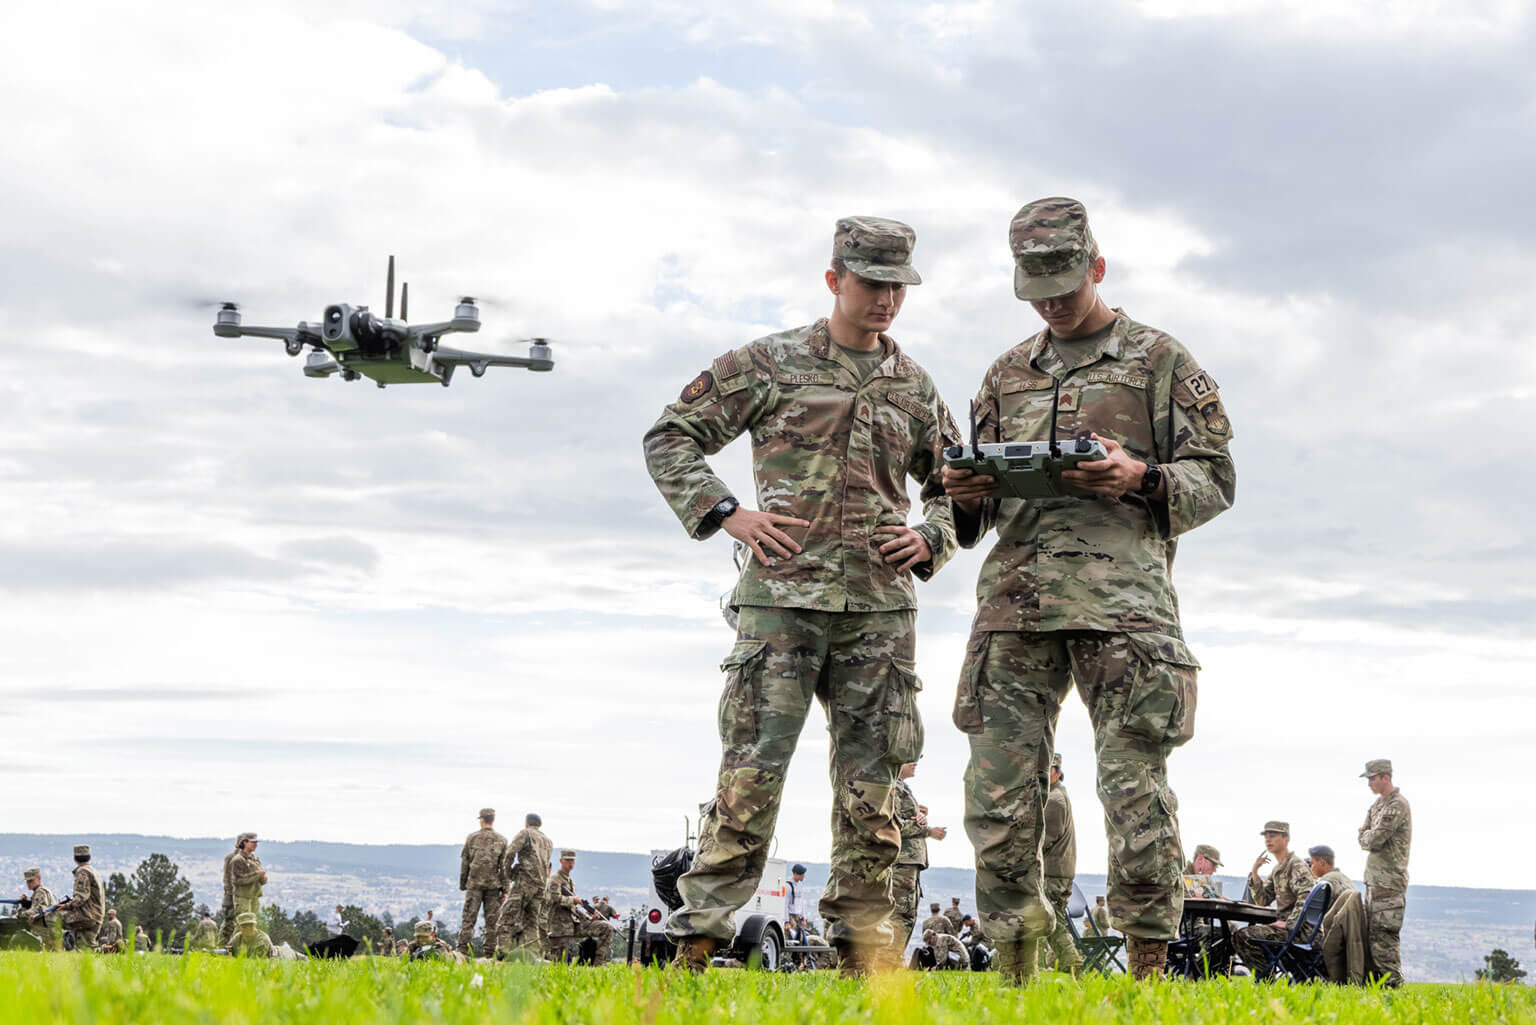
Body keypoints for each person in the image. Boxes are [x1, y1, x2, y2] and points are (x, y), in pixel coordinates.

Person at [644, 216, 960, 974]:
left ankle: (860, 954)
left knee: (873, 789)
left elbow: (958, 481)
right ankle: (698, 941)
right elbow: (671, 435)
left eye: (897, 287)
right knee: (749, 778)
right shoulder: (769, 362)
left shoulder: (912, 384)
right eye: (871, 283)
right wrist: (729, 513)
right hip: (781, 604)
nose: (886, 299)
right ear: (834, 280)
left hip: (879, 615)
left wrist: (934, 536)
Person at [943, 197, 1236, 983]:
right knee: (998, 797)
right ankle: (1013, 973)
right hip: (1015, 606)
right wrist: (962, 487)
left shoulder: (1159, 360)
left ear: (1097, 267)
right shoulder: (1006, 373)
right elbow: (966, 509)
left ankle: (1145, 971)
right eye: (1035, 288)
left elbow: (1216, 480)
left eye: (1064, 285)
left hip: (1124, 610)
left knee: (1132, 792)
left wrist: (1138, 475)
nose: (1050, 301)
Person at [1357, 758, 1411, 987]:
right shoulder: (1377, 806)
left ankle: (1394, 991)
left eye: (1372, 778)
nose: (1369, 783)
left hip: (1388, 885)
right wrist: (1367, 836)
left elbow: (1374, 838)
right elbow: (1362, 837)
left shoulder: (1397, 804)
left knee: (1384, 943)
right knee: (1372, 940)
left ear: (1385, 778)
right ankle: (1378, 990)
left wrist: (1367, 836)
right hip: (1374, 883)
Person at [1233, 821, 1314, 971]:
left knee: (1244, 936)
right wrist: (1255, 872)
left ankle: (1265, 981)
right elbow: (1262, 900)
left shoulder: (1296, 865)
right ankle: (1266, 978)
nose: (1268, 840)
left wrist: (1290, 924)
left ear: (1286, 838)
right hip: (1289, 930)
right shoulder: (1278, 869)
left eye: (1273, 835)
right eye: (1266, 836)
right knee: (1240, 935)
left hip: (1300, 932)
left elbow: (1307, 897)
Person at [891, 762, 947, 955]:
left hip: (909, 863)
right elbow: (891, 825)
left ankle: (892, 963)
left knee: (907, 916)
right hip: (902, 862)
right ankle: (888, 965)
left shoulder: (902, 787)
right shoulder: (892, 786)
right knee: (900, 916)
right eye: (910, 758)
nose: (915, 762)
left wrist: (920, 818)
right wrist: (923, 827)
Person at [1039, 753, 1083, 976]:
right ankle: (1061, 964)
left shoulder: (1054, 800)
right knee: (1049, 921)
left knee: (1050, 922)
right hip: (1059, 871)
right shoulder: (1056, 796)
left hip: (1053, 873)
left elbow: (1046, 838)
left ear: (1057, 772)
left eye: (1049, 769)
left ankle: (1072, 962)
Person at [1307, 845, 1365, 984]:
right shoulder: (1343, 878)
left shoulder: (1326, 882)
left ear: (1322, 862)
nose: (1311, 868)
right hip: (1346, 937)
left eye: (1312, 864)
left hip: (1331, 937)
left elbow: (1312, 914)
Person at [543, 850, 612, 965]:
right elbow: (554, 899)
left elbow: (574, 908)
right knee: (559, 965)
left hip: (574, 923)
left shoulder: (570, 881)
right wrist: (573, 900)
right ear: (561, 861)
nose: (570, 863)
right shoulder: (555, 879)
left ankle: (598, 965)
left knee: (606, 927)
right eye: (567, 860)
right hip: (559, 927)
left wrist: (589, 917)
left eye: (572, 860)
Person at [497, 813, 552, 956]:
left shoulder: (526, 833)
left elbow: (510, 852)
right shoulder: (547, 840)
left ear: (527, 823)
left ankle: (503, 951)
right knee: (532, 921)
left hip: (525, 881)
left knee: (507, 915)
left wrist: (508, 873)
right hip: (541, 885)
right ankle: (533, 953)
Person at [459, 808, 508, 957]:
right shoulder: (502, 840)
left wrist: (463, 884)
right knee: (492, 922)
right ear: (493, 820)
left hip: (474, 885)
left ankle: (463, 951)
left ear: (481, 819)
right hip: (493, 887)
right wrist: (506, 889)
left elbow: (465, 863)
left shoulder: (471, 838)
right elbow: (504, 867)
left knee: (468, 919)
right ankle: (489, 953)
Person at [57, 843, 105, 951]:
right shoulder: (94, 871)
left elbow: (80, 898)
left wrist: (66, 906)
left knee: (52, 918)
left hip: (86, 915)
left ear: (75, 858)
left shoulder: (83, 871)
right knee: (88, 948)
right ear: (89, 857)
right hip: (97, 916)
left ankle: (52, 948)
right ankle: (112, 949)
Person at [220, 833, 252, 946]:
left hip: (241, 896)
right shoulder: (232, 858)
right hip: (232, 896)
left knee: (240, 923)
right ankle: (225, 947)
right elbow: (227, 879)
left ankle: (232, 947)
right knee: (230, 924)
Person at [229, 833, 267, 921]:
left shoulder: (255, 859)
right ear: (244, 843)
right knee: (243, 924)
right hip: (243, 898)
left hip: (254, 896)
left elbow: (261, 881)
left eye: (256, 842)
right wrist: (257, 875)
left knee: (252, 925)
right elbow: (238, 880)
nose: (256, 845)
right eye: (253, 842)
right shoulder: (238, 860)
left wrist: (263, 878)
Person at [17, 868, 56, 949]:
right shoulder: (43, 891)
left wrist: (21, 912)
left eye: (31, 881)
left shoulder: (40, 892)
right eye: (27, 881)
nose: (28, 883)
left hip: (43, 930)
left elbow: (38, 910)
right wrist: (26, 902)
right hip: (48, 929)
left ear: (39, 878)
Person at [785, 864, 811, 941]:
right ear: (795, 874)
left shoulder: (800, 885)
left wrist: (804, 918)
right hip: (791, 915)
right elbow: (785, 904)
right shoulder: (788, 886)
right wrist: (786, 921)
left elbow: (802, 903)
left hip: (798, 916)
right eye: (802, 874)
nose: (803, 876)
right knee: (792, 939)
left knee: (800, 938)